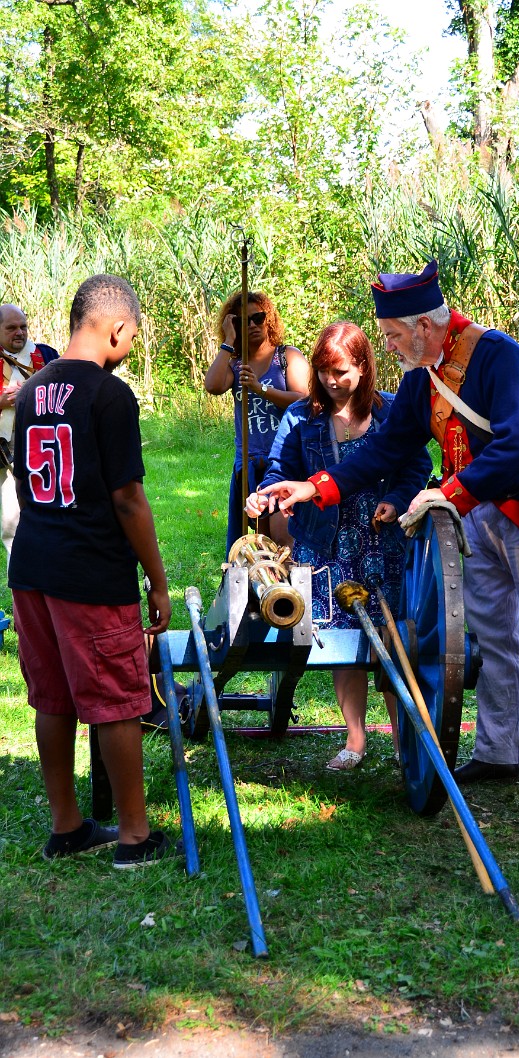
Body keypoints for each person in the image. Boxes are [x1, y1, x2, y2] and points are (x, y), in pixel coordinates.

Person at [256, 261, 519, 792]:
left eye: (394, 335)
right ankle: (499, 751)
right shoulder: (423, 379)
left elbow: (514, 446)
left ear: (422, 326)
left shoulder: (498, 357)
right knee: (492, 638)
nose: (389, 346)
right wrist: (315, 487)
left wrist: (449, 494)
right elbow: (384, 450)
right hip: (468, 519)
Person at [9, 274, 173, 868]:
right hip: (89, 572)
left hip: (31, 564)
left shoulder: (32, 390)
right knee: (116, 699)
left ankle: (67, 826)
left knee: (50, 697)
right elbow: (128, 497)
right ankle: (134, 836)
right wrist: (156, 579)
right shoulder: (109, 395)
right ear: (118, 327)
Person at [247, 321, 432, 770]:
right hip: (324, 546)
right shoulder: (300, 418)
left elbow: (416, 465)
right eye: (325, 371)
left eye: (343, 372)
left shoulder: (391, 412)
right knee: (339, 642)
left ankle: (402, 737)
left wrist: (393, 499)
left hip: (381, 540)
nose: (333, 381)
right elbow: (279, 470)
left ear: (364, 368)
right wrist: (265, 493)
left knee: (393, 639)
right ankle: (355, 738)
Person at [204, 290, 309, 554]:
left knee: (283, 535)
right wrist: (229, 342)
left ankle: (291, 591)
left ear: (269, 319)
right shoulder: (235, 365)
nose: (251, 324)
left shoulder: (287, 356)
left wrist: (261, 389)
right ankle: (267, 592)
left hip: (285, 459)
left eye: (258, 318)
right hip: (250, 462)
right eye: (243, 321)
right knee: (261, 539)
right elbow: (213, 386)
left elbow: (305, 400)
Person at [0, 303, 58, 565]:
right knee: (11, 522)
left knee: (48, 514)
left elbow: (63, 395)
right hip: (4, 451)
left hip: (42, 448)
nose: (19, 332)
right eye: (11, 328)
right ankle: (21, 578)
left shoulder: (46, 356)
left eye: (23, 326)